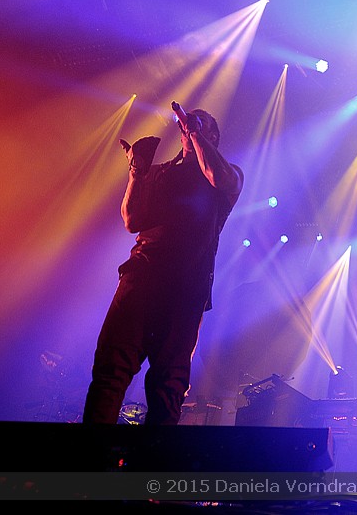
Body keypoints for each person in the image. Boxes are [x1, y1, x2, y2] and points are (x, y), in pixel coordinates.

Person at [82, 104, 244, 425]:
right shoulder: (161, 172)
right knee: (111, 371)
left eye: (200, 123)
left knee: (168, 384)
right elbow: (131, 220)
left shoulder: (227, 175)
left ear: (212, 136)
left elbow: (217, 175)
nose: (189, 125)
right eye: (187, 123)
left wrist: (195, 131)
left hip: (186, 290)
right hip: (140, 278)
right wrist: (137, 173)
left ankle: (155, 457)